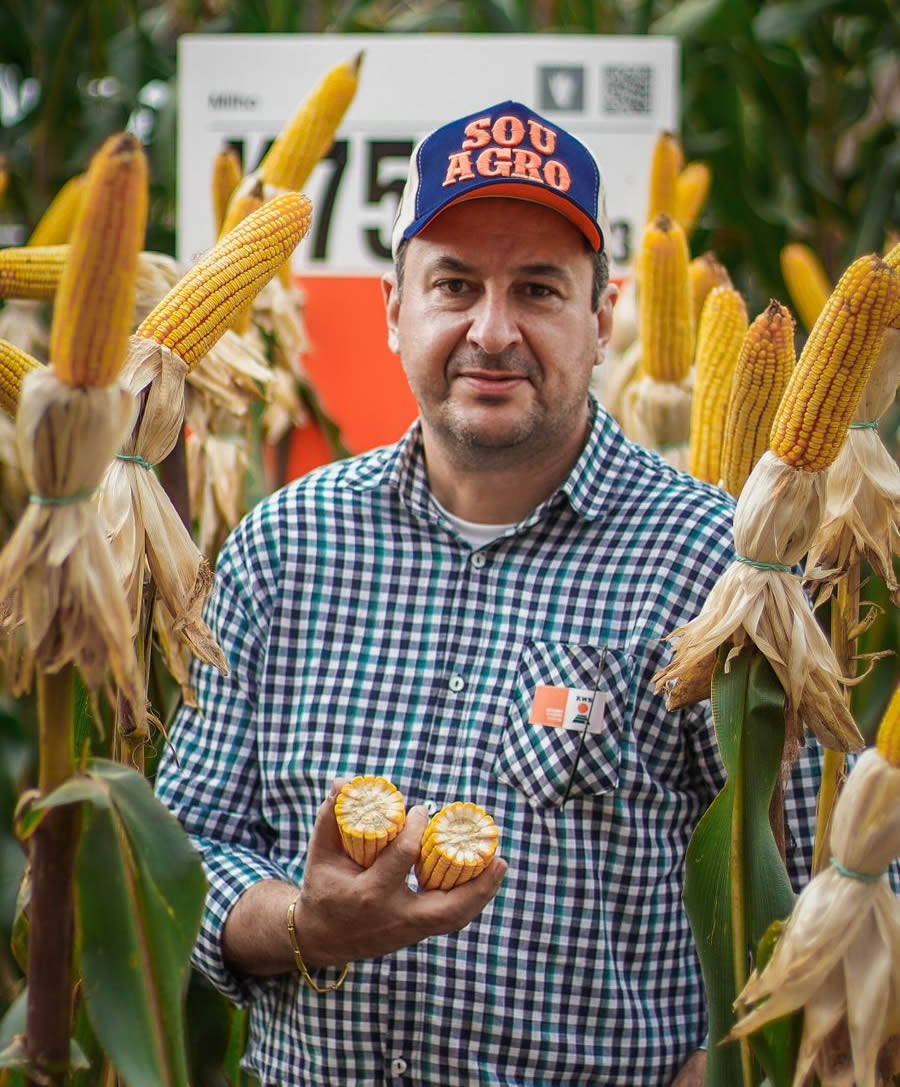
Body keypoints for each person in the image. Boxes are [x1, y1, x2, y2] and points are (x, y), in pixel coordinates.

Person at [155, 100, 815, 1086]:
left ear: (601, 320)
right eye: (454, 285)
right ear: (393, 309)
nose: (492, 331)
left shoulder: (716, 566)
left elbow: (805, 910)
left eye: (539, 290)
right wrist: (302, 923)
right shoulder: (283, 547)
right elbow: (183, 848)